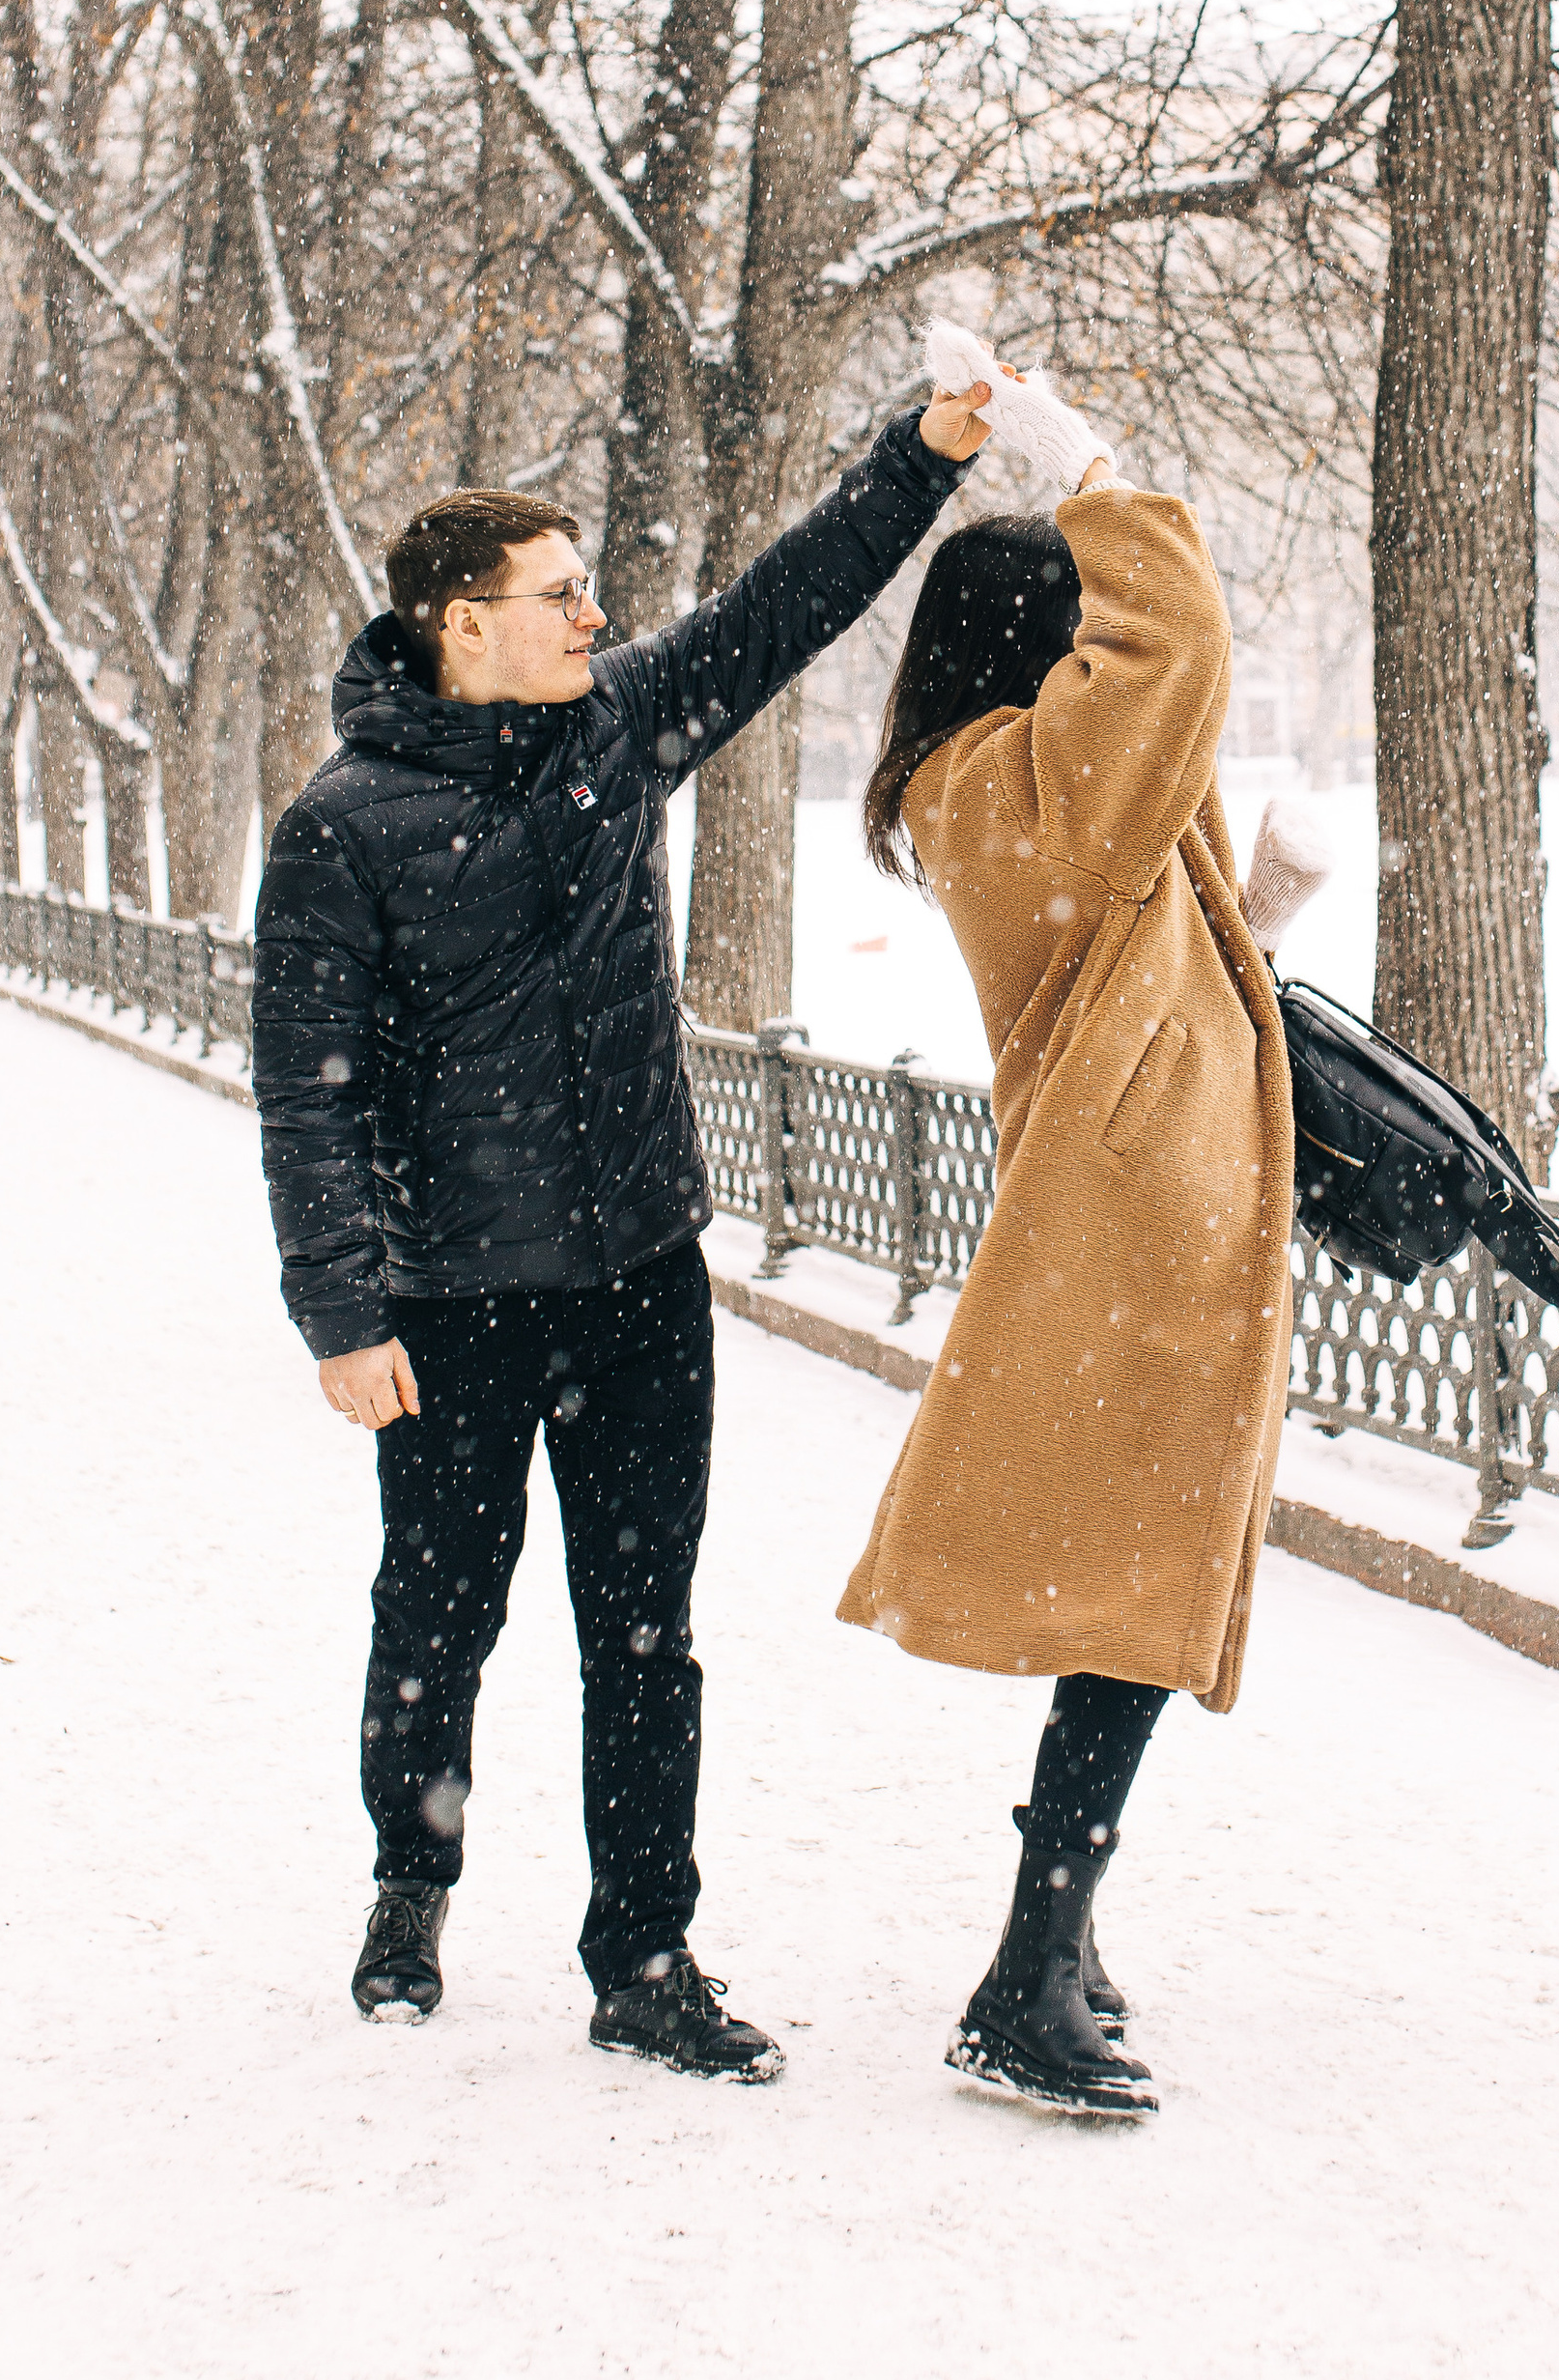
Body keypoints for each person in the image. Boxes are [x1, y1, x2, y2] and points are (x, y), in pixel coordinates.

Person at [252, 388, 990, 2073]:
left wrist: (920, 458)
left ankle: (644, 1958)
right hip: (450, 1301)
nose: (595, 613)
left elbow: (784, 605)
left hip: (644, 1282)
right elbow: (305, 1090)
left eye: (590, 589)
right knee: (441, 1613)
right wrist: (342, 1316)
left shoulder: (615, 734)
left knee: (646, 1627)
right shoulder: (342, 826)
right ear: (461, 623)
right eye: (558, 591)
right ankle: (408, 1877)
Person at [837, 439, 1294, 2118]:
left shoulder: (1019, 788)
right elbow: (1175, 643)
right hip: (1131, 1232)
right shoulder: (1012, 783)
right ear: (1041, 651)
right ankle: (1029, 1966)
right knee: (1134, 1594)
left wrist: (1270, 907)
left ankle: (1058, 1938)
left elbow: (1151, 934)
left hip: (1142, 1215)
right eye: (1076, 626)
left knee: (1138, 1583)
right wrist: (1101, 472)